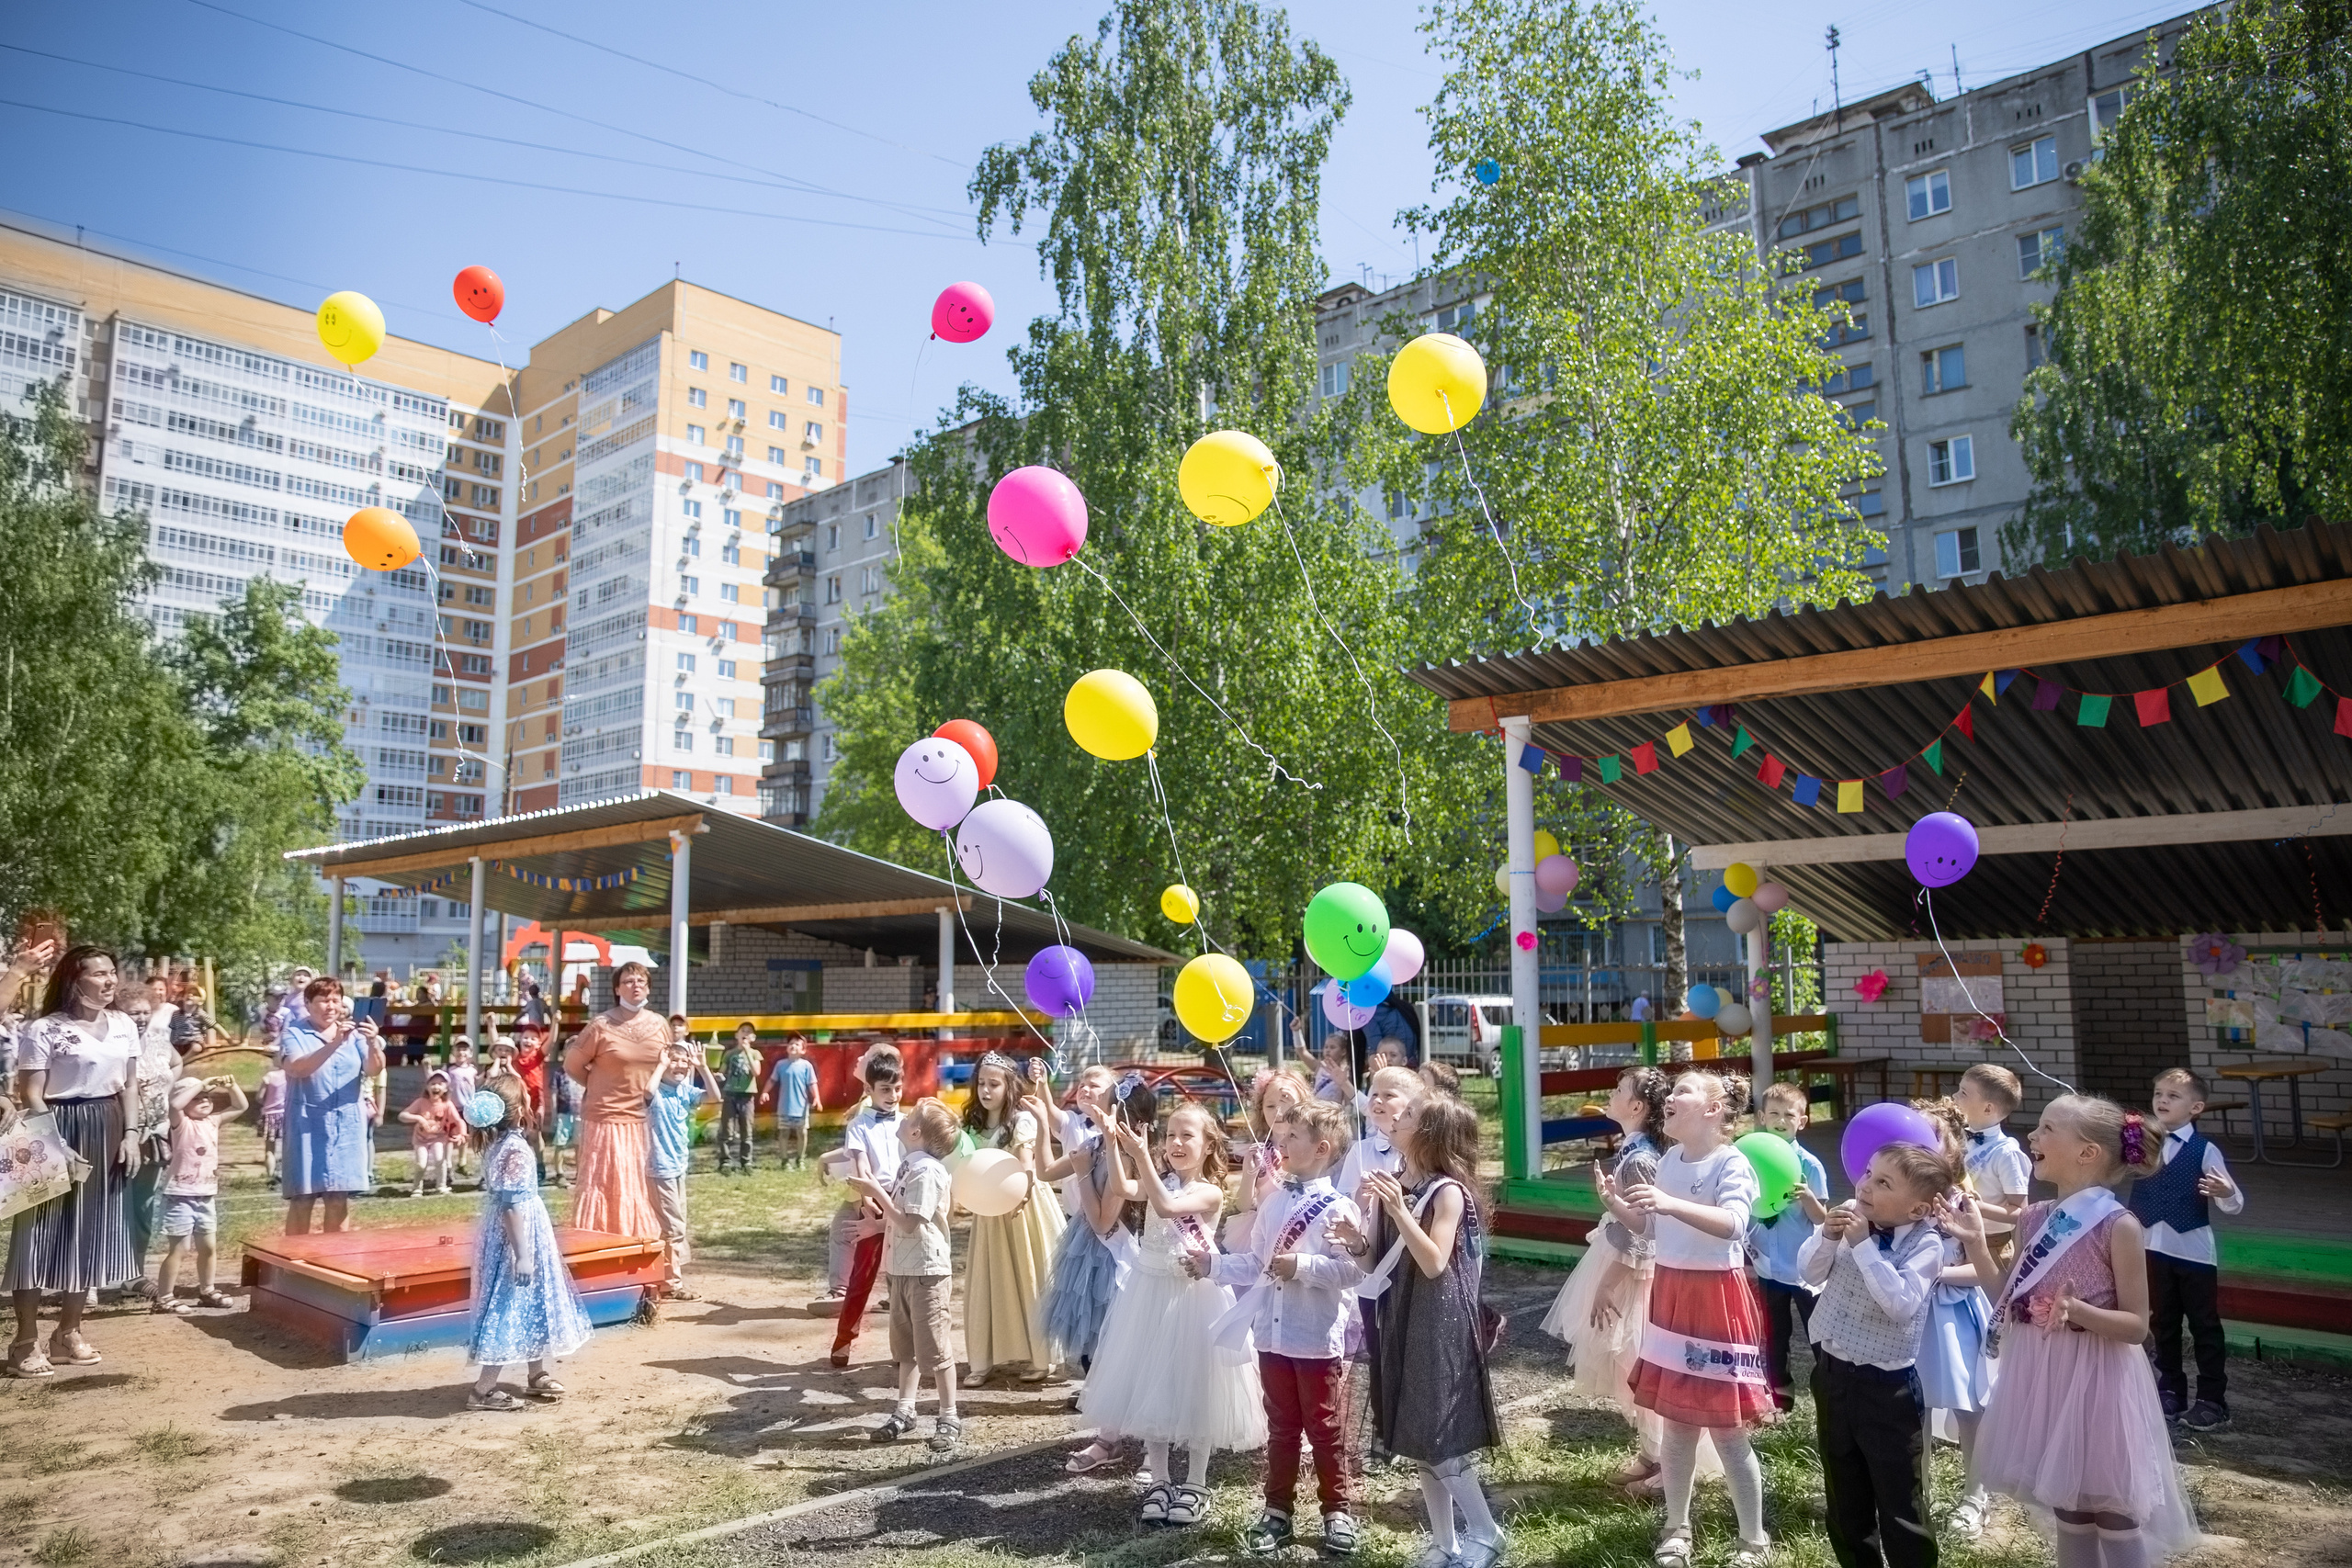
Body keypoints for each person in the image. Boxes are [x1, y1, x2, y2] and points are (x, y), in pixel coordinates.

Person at [1947, 1094, 2198, 1567]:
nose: (2032, 1137)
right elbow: (2007, 1291)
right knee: (2071, 1508)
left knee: (2115, 1514)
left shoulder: (2118, 1226)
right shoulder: (2036, 1219)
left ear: (2087, 1152)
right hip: (2047, 1376)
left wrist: (2078, 1311)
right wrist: (1978, 1244)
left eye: (2046, 1129)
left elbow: (2137, 1326)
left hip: (2100, 1382)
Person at [1086, 1099, 1263, 1531]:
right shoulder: (1158, 1176)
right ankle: (1161, 1480)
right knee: (1154, 1384)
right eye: (1170, 1135)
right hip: (1150, 1294)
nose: (1176, 1142)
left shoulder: (1208, 1191)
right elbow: (1128, 1190)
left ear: (1208, 1147)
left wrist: (1141, 1156)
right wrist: (1114, 1144)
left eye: (1188, 1135)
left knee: (1195, 1386)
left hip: (1191, 1297)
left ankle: (1196, 1482)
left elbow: (1166, 1207)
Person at [1344, 1096, 1505, 1568]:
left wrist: (1398, 1212)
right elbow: (1375, 1261)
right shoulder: (1395, 1184)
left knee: (1439, 1434)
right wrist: (1354, 1242)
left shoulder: (1446, 1192)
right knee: (1416, 1434)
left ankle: (1487, 1532)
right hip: (1401, 1316)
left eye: (1409, 1115)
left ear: (1430, 1133)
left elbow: (1434, 1264)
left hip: (1438, 1323)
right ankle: (1445, 1542)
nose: (1396, 1118)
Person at [1620, 1070, 1771, 1568]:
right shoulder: (1668, 1160)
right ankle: (1676, 1527)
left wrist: (1668, 1202)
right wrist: (1620, 1208)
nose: (1671, 1096)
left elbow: (1734, 1225)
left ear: (1713, 1109)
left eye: (1683, 1089)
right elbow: (1652, 1225)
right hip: (1672, 1295)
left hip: (1715, 1301)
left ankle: (1753, 1539)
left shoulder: (1732, 1161)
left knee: (1728, 1430)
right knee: (1678, 1423)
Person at [1202, 1098, 1364, 1558]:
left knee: (1325, 1426)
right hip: (1271, 1336)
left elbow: (1352, 1272)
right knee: (1282, 1426)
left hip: (1314, 1336)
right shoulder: (1272, 1203)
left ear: (1322, 1148)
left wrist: (1305, 1266)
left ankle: (1337, 1510)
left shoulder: (1340, 1207)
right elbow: (1256, 1263)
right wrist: (1211, 1264)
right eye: (1281, 1133)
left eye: (1293, 1136)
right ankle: (1277, 1511)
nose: (1281, 1142)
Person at [1800, 1142, 1955, 1568]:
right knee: (1844, 1492)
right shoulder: (1853, 1214)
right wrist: (1828, 1238)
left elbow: (1901, 1303)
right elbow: (1809, 1272)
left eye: (1884, 1182)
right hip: (1832, 1375)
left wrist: (1865, 1245)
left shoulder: (1927, 1245)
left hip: (1886, 1391)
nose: (1866, 1185)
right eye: (1868, 1172)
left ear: (1918, 1211)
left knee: (1899, 1500)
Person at [6, 946, 143, 1376]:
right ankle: (24, 1340)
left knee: (90, 1231)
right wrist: (54, 1142)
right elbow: (30, 1091)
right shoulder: (44, 1028)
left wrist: (132, 1135)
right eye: (98, 973)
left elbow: (131, 1085)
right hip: (49, 1124)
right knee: (35, 1236)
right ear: (73, 980)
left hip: (107, 1124)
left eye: (112, 973)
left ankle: (68, 1332)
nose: (109, 981)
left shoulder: (123, 1025)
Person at [1540, 1065, 1672, 1493]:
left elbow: (1643, 1237)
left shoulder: (1641, 1160)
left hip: (1632, 1280)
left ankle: (1669, 1462)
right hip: (1625, 1272)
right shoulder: (1635, 1151)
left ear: (1636, 1106)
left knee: (1638, 1367)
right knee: (1631, 1370)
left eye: (1619, 1090)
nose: (1611, 1094)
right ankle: (1652, 1455)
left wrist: (1605, 1286)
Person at [460, 1081, 592, 1411]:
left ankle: (536, 1373)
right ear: (518, 1110)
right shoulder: (515, 1149)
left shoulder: (500, 1142)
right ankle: (484, 1389)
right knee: (509, 1304)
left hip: (513, 1231)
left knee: (533, 1301)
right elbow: (511, 1205)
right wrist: (522, 1255)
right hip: (518, 1235)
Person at [847, 1096, 964, 1455]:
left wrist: (875, 1192)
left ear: (914, 1132)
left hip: (926, 1273)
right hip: (901, 1269)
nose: (904, 1114)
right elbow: (902, 1216)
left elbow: (912, 1223)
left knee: (936, 1349)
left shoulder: (927, 1170)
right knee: (905, 1350)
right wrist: (877, 1227)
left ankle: (949, 1416)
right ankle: (905, 1411)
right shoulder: (910, 1165)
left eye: (910, 1115)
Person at [2130, 1066, 2244, 1434]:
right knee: (2162, 1324)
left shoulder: (2205, 1149)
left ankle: (2213, 1400)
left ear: (2196, 1108)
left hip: (2192, 1251)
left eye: (2172, 1096)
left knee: (2204, 1325)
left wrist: (2226, 1194)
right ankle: (2169, 1390)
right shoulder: (2141, 1143)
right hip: (2149, 1247)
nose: (2162, 1100)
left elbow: (2235, 1200)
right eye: (2158, 1093)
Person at [959, 1051, 1066, 1385]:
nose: (986, 1091)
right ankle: (983, 1358)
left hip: (1024, 1208)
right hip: (989, 1213)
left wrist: (1021, 1189)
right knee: (988, 1282)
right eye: (981, 1083)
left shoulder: (1022, 1120)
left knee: (1029, 1278)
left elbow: (1026, 1164)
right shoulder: (972, 1125)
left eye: (994, 1084)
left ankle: (1040, 1357)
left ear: (1009, 1088)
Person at [1038, 1066, 1135, 1419]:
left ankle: (1113, 1393)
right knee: (1086, 1324)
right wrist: (1038, 1125)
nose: (1085, 1089)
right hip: (1082, 1240)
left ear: (1114, 1100)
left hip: (1110, 1245)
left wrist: (1081, 1171)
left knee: (1108, 1321)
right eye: (1082, 1083)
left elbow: (1105, 1219)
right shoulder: (1089, 1142)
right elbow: (1046, 1172)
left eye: (1095, 1084)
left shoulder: (1121, 1151)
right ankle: (1096, 1389)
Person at [560, 961, 670, 1243]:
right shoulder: (601, 1025)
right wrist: (598, 1087)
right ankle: (597, 1244)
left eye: (641, 981)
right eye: (629, 981)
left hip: (644, 1118)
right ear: (617, 989)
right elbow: (572, 1065)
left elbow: (667, 1068)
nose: (636, 986)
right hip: (605, 1118)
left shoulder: (659, 1025)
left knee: (637, 1186)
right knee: (605, 1183)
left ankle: (637, 1245)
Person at [1747, 1081, 1831, 1416]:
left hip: (1804, 1269)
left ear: (1803, 1121)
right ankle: (1780, 1393)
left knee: (1818, 1333)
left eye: (1789, 1115)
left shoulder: (1809, 1165)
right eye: (1774, 1114)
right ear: (1761, 1118)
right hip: (1769, 1265)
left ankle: (1829, 1390)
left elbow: (1823, 1218)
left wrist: (1808, 1198)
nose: (1781, 1121)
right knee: (1775, 1333)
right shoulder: (1749, 1158)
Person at [277, 976, 385, 1235]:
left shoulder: (356, 1034)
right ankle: (295, 1263)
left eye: (335, 1000)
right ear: (308, 1003)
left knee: (338, 1198)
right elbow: (298, 1068)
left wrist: (372, 1043)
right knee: (303, 1198)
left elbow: (374, 1069)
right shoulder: (294, 1033)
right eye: (323, 1001)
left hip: (346, 1125)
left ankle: (334, 1265)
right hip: (307, 1123)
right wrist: (335, 1043)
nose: (330, 1006)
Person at [821, 1045, 905, 1366]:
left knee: (903, 1280)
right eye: (885, 1089)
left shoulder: (909, 1120)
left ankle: (903, 1347)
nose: (893, 1095)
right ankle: (844, 1338)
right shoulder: (859, 1124)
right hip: (873, 1202)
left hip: (903, 1201)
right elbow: (860, 1164)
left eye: (898, 1088)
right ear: (869, 1089)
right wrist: (869, 1202)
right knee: (862, 1277)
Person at [152, 1075, 246, 1314]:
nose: (204, 1100)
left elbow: (241, 1106)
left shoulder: (213, 1122)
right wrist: (201, 1085)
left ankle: (207, 1290)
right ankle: (164, 1298)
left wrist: (231, 1086)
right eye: (197, 1098)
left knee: (208, 1247)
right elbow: (174, 1105)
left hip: (206, 1196)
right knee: (179, 1249)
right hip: (180, 1196)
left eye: (207, 1097)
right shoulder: (181, 1124)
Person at [649, 1042, 719, 1299]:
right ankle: (671, 1284)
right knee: (674, 1229)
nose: (679, 1065)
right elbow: (647, 1090)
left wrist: (703, 1067)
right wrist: (661, 1064)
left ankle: (661, 1277)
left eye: (684, 1061)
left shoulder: (685, 1091)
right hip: (660, 1169)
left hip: (679, 1168)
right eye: (674, 1060)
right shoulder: (656, 1092)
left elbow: (714, 1097)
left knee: (675, 1228)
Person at [120, 984, 176, 1297]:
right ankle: (89, 1282)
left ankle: (134, 1274)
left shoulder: (158, 1040)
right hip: (118, 1136)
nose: (141, 1018)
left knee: (143, 1208)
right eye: (133, 1013)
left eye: (145, 1012)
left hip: (154, 1135)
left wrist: (164, 1091)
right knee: (109, 1207)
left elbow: (177, 1063)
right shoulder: (111, 1042)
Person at [1954, 1065, 2032, 1244]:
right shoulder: (1956, 1136)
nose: (1954, 1096)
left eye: (1963, 1093)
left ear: (1988, 1109)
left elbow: (2020, 1213)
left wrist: (1978, 1207)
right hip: (1954, 1236)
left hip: (1992, 1243)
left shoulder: (2007, 1153)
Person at [401, 1070, 465, 1198]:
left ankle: (441, 1185)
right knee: (421, 1164)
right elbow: (402, 1115)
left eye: (440, 1084)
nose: (436, 1087)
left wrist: (462, 1133)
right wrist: (418, 1118)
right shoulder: (421, 1102)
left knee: (440, 1160)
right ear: (427, 1087)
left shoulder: (447, 1105)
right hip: (421, 1139)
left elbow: (459, 1120)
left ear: (446, 1088)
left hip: (438, 1138)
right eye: (433, 1084)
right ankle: (417, 1188)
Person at [763, 1036, 820, 1169]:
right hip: (784, 1107)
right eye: (791, 1044)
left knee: (802, 1133)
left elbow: (812, 1083)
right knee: (784, 1133)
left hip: (801, 1108)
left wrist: (817, 1098)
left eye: (797, 1044)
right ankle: (785, 1161)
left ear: (803, 1050)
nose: (793, 1046)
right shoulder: (781, 1065)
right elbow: (772, 1080)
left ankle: (800, 1160)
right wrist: (765, 1092)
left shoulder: (806, 1066)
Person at [716, 1022, 762, 1176]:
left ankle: (746, 1161)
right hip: (730, 1095)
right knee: (727, 1130)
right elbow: (722, 1072)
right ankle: (725, 1161)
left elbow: (756, 1072)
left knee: (746, 1131)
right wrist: (718, 1076)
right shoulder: (730, 1054)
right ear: (736, 1035)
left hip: (747, 1096)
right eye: (743, 1031)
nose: (746, 1034)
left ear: (753, 1038)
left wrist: (747, 1051)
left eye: (749, 1032)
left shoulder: (755, 1053)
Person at [257, 1057, 288, 1180]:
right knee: (288, 1146)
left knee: (270, 1149)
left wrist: (266, 1103)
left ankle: (270, 1175)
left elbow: (259, 1097)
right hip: (287, 1114)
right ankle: (287, 1173)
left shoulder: (269, 1076)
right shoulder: (292, 1076)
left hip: (270, 1115)